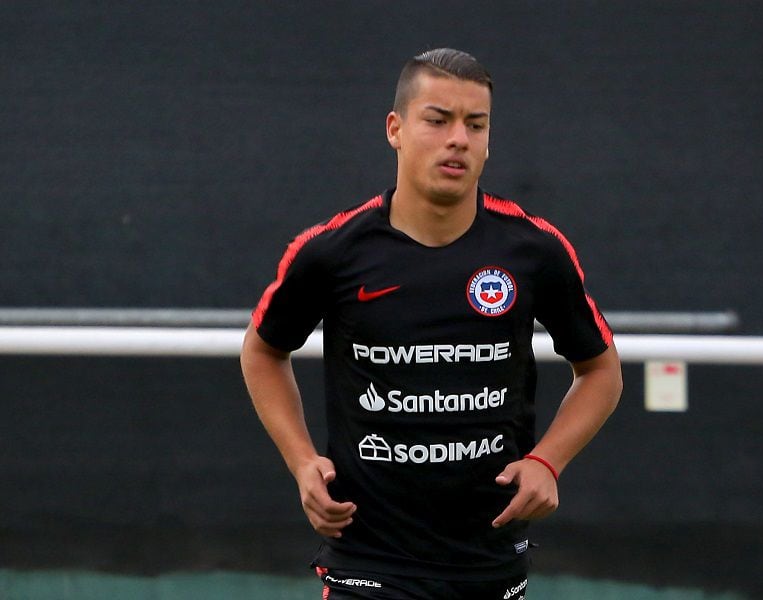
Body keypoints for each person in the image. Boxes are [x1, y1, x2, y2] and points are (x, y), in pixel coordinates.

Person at [240, 48, 623, 600]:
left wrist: (547, 461)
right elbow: (262, 352)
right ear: (395, 128)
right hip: (368, 565)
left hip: (488, 565)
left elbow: (602, 371)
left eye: (476, 124)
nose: (458, 139)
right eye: (438, 119)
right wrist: (302, 463)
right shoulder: (333, 252)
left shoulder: (533, 250)